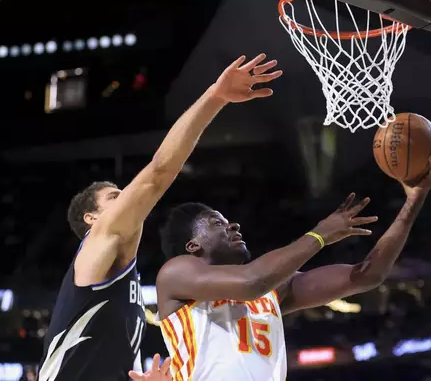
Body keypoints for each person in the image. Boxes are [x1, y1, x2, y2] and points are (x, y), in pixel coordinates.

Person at [37, 53, 283, 381]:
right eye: (115, 197)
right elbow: (157, 173)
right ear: (92, 219)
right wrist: (215, 97)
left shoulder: (125, 282)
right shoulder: (100, 241)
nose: (127, 197)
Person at [156, 145, 431, 381]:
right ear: (192, 245)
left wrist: (414, 200)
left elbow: (367, 275)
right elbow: (251, 282)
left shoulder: (274, 289)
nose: (232, 225)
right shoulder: (176, 274)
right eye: (216, 223)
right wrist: (320, 234)